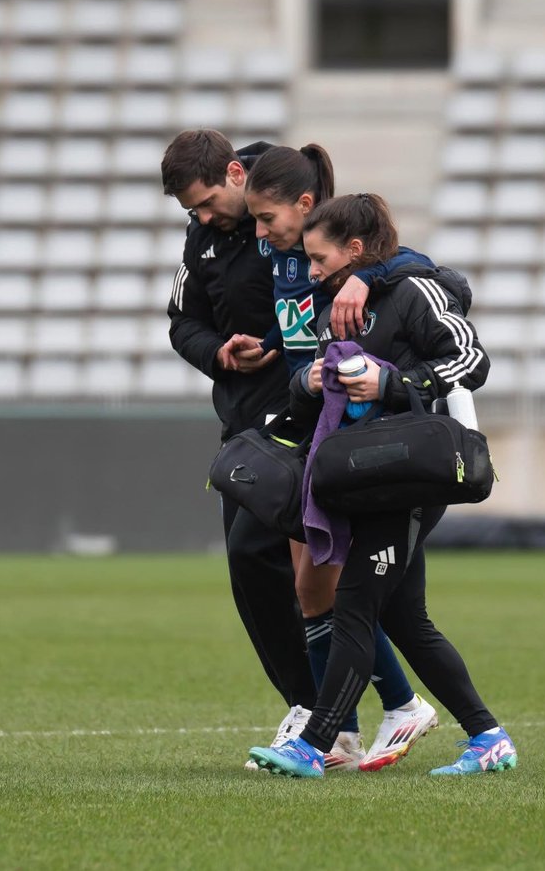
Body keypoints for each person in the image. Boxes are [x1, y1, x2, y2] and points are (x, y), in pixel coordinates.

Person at [248, 194, 518, 777]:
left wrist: (393, 383)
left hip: (416, 472)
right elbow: (316, 389)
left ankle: (314, 744)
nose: (311, 270)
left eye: (319, 259)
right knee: (403, 618)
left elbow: (471, 360)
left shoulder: (416, 292)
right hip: (368, 476)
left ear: (355, 250)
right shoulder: (333, 307)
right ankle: (489, 737)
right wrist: (309, 381)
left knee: (354, 604)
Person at [236, 144, 440, 771]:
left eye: (267, 219)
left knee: (332, 589)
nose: (261, 233)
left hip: (353, 431)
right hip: (311, 420)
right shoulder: (282, 251)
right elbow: (299, 321)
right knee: (313, 591)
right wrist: (272, 345)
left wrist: (367, 276)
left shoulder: (338, 248)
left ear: (303, 207)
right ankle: (344, 733)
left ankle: (398, 709)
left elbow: (427, 269)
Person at [161, 129, 318, 764]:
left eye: (205, 204)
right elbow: (182, 322)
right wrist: (219, 352)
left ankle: (332, 715)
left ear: (234, 173)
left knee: (295, 562)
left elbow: (369, 252)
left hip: (304, 414)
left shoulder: (288, 201)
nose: (201, 218)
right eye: (189, 212)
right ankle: (315, 708)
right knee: (251, 566)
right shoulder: (201, 239)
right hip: (245, 420)